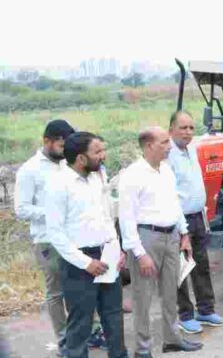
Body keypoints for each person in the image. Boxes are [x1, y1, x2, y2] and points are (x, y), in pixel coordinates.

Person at [119, 127, 203, 356]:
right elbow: (127, 219)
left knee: (170, 292)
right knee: (143, 297)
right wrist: (139, 253)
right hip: (147, 238)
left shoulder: (166, 170)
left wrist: (184, 234)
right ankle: (143, 349)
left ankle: (172, 339)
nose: (169, 147)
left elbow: (174, 204)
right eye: (164, 142)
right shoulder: (133, 175)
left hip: (171, 236)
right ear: (148, 146)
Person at [44, 132, 128, 358]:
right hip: (78, 263)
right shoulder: (58, 184)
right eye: (98, 152)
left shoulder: (96, 177)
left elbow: (107, 216)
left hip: (107, 255)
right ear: (81, 158)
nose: (103, 156)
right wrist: (86, 263)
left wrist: (116, 247)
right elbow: (55, 233)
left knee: (114, 317)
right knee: (80, 324)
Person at [13, 119, 75, 355]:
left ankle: (84, 333)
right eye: (61, 145)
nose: (65, 149)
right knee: (57, 292)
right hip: (47, 239)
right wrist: (53, 212)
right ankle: (64, 341)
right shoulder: (30, 170)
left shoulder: (67, 164)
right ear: (46, 141)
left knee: (79, 289)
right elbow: (21, 209)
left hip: (73, 237)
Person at [167, 112, 223, 334]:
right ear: (171, 129)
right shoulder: (168, 155)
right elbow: (169, 195)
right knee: (182, 269)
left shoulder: (191, 149)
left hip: (197, 217)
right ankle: (184, 314)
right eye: (183, 128)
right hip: (178, 221)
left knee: (201, 264)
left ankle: (206, 309)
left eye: (191, 128)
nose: (188, 132)